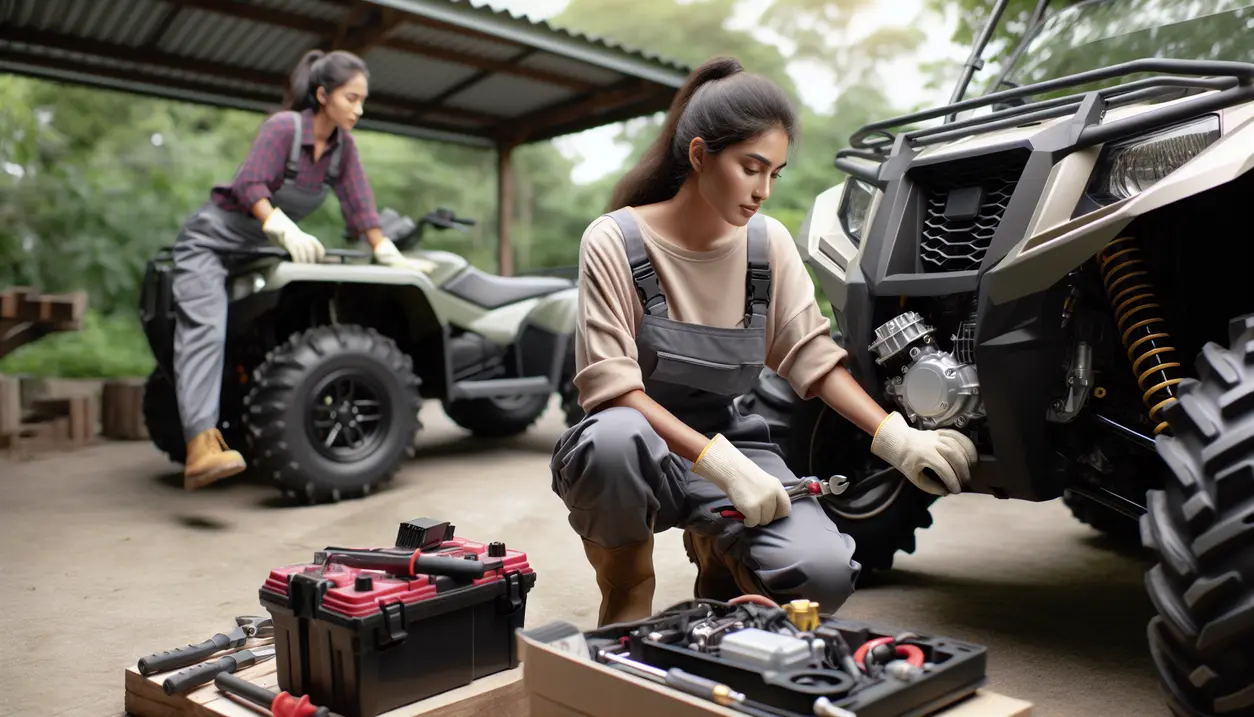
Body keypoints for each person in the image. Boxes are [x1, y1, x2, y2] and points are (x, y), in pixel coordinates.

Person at [551, 56, 980, 627]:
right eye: (751, 168)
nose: (763, 191)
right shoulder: (615, 241)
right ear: (700, 155)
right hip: (636, 447)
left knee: (821, 576)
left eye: (774, 173)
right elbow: (613, 394)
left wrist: (895, 439)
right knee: (611, 441)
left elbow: (812, 359)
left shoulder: (766, 245)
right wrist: (719, 466)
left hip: (732, 442)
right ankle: (626, 594)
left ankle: (718, 556)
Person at [172, 49, 424, 491]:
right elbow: (248, 183)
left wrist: (387, 251)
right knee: (205, 329)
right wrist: (279, 225)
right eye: (351, 98)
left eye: (363, 100)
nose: (359, 109)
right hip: (211, 243)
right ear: (324, 95)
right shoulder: (283, 128)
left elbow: (360, 206)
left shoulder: (342, 149)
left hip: (258, 249)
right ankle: (199, 447)